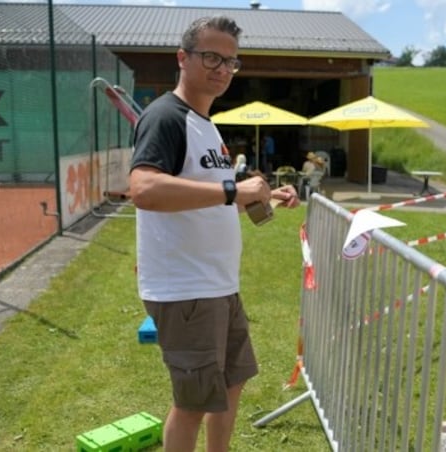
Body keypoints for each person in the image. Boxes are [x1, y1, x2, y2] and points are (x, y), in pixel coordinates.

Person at [128, 16, 299, 452]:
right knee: (193, 404)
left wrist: (261, 198)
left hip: (219, 285)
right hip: (187, 291)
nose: (222, 69)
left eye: (230, 61)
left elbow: (212, 205)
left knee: (232, 383)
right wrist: (231, 190)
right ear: (182, 58)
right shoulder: (166, 117)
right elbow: (143, 189)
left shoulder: (207, 125)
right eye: (211, 57)